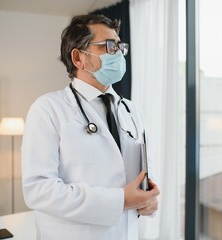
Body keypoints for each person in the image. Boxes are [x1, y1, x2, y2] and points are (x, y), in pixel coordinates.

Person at [21, 14, 160, 240]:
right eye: (108, 46)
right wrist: (120, 200)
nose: (119, 53)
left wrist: (149, 200)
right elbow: (39, 191)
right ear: (78, 58)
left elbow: (144, 174)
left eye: (119, 46)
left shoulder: (132, 111)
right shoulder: (47, 109)